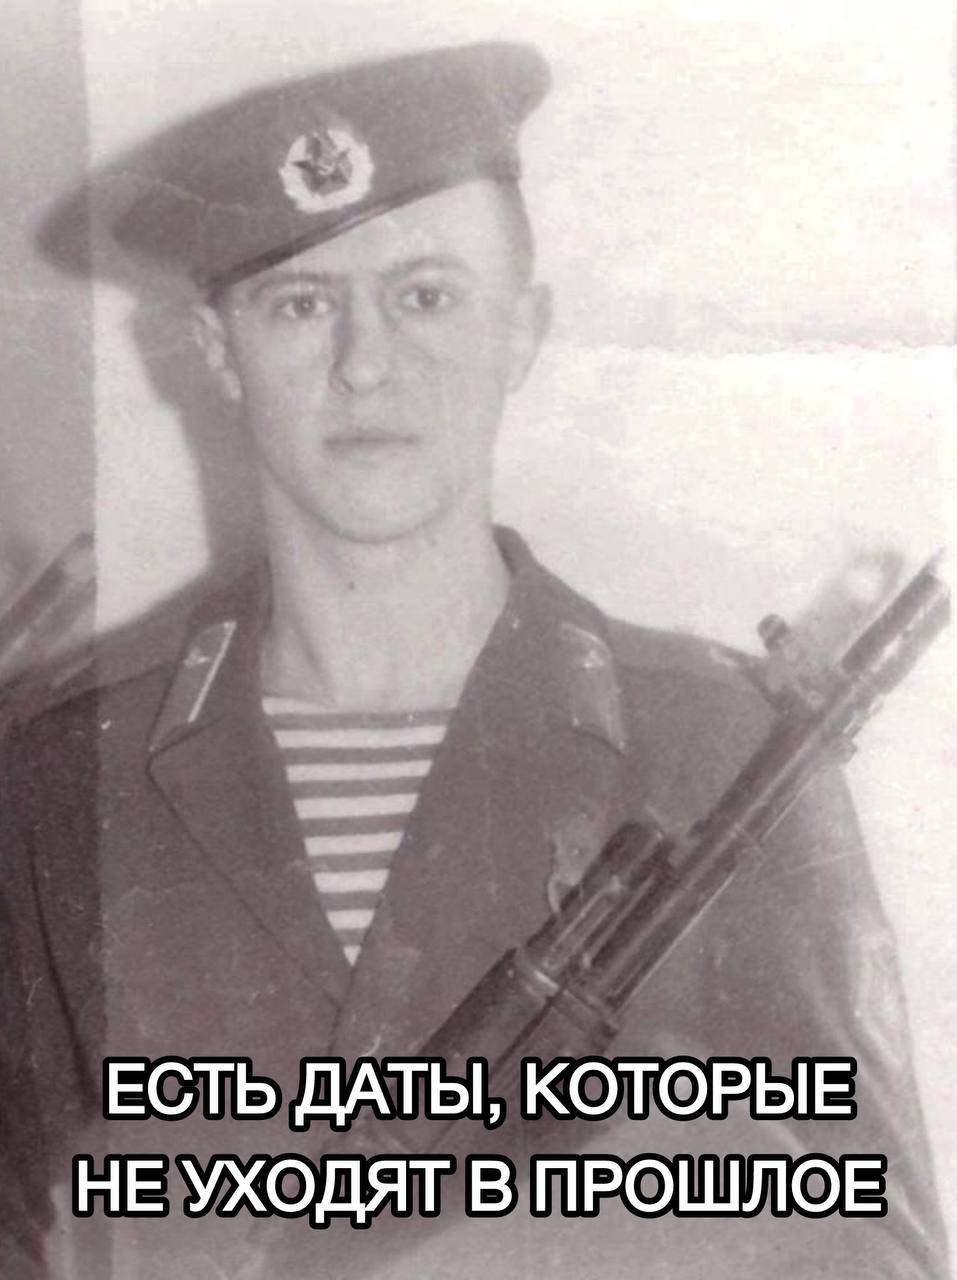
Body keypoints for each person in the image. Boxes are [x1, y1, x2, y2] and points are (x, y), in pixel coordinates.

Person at [0, 41, 948, 1280]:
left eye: (427, 295)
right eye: (300, 303)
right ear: (217, 350)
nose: (365, 362)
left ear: (522, 330)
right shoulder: (66, 779)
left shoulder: (721, 753)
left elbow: (877, 1250)